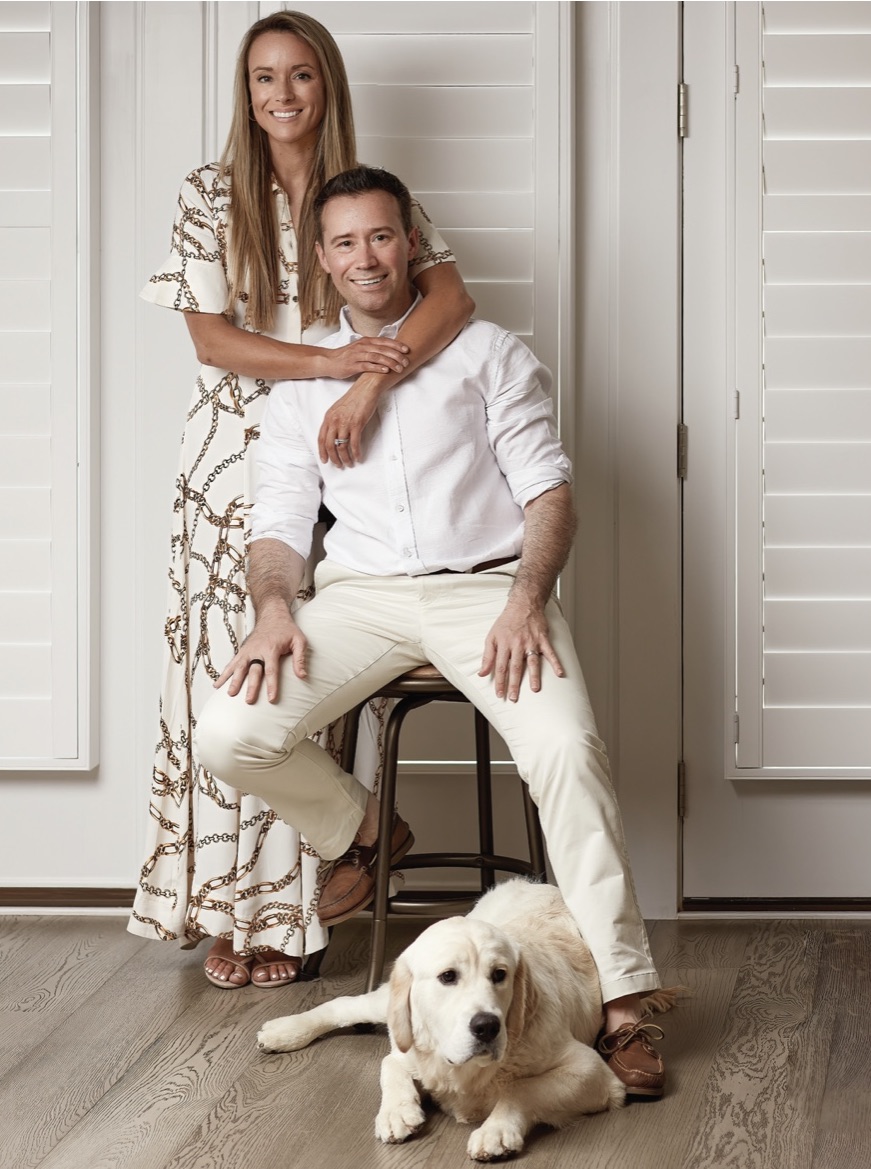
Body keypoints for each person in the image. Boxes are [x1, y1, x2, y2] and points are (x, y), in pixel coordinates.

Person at [194, 166, 668, 1098]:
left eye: (380, 236)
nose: (365, 257)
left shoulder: (488, 352)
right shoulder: (301, 384)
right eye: (343, 243)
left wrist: (528, 597)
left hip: (487, 589)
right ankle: (368, 832)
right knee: (228, 730)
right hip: (363, 596)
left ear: (410, 240)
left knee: (568, 749)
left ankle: (623, 1004)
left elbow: (548, 492)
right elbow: (281, 525)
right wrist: (273, 610)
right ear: (323, 262)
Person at [128, 12, 474, 990]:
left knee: (304, 681)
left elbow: (450, 299)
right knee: (224, 683)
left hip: (345, 458)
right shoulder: (209, 195)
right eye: (263, 78)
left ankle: (290, 913)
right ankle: (229, 909)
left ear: (328, 87)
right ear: (246, 93)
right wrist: (329, 360)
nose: (281, 95)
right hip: (227, 471)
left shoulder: (360, 198)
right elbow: (213, 343)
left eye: (301, 76)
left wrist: (365, 384)